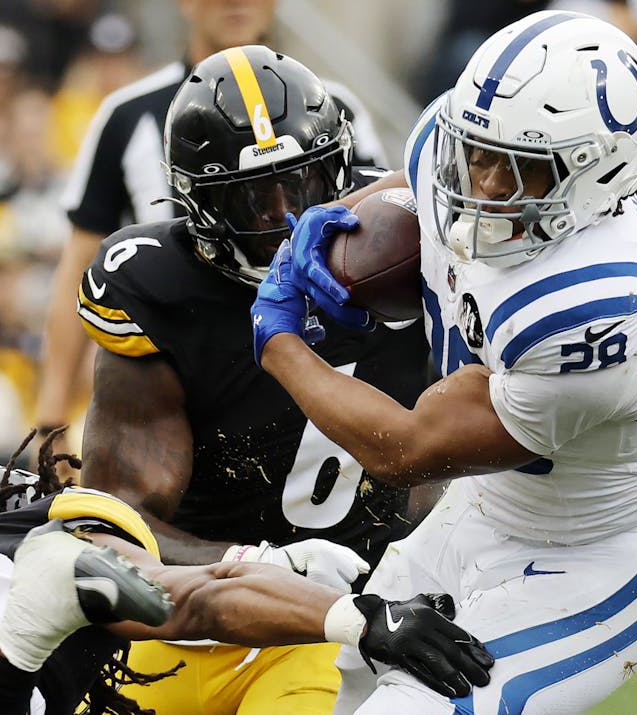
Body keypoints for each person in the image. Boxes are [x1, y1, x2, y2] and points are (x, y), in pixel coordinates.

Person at [250, 10, 637, 713]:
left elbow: (405, 450)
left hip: (595, 557)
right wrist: (328, 228)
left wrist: (278, 336)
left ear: (598, 175)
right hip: (487, 508)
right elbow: (416, 185)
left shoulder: (595, 307)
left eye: (521, 169)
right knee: (322, 690)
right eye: (479, 153)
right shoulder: (455, 140)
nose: (486, 185)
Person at [75, 43, 434, 714]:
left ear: (341, 172)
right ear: (196, 202)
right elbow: (117, 524)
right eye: (250, 197)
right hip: (192, 614)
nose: (282, 216)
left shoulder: (403, 236)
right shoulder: (157, 286)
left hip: (356, 617)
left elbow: (463, 434)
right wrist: (259, 563)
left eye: (300, 184)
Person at [0, 431, 493, 714]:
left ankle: (21, 643)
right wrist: (351, 613)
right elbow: (198, 602)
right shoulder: (61, 530)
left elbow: (200, 598)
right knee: (276, 638)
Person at [35, 0, 386, 453]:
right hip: (187, 367)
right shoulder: (127, 114)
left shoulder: (332, 105)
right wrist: (51, 420)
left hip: (323, 350)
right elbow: (78, 268)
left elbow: (379, 226)